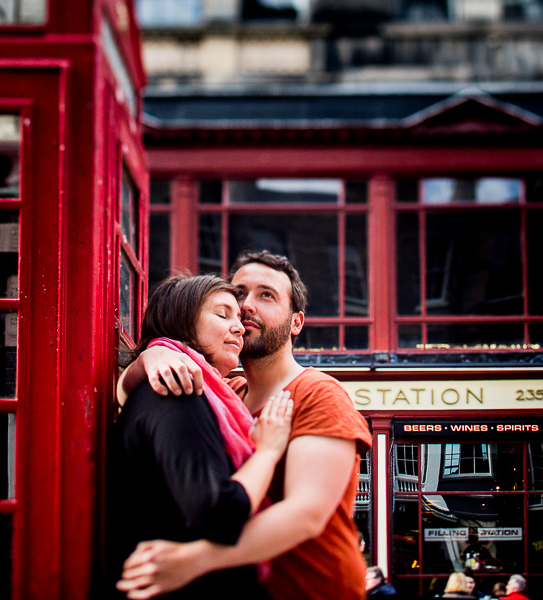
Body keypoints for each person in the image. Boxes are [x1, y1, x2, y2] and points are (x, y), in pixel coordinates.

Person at [117, 250, 373, 600]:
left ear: (296, 322)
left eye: (266, 295)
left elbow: (307, 513)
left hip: (314, 588)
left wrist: (196, 560)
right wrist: (154, 354)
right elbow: (124, 400)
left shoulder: (318, 394)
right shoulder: (226, 393)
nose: (248, 306)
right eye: (239, 295)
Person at [109, 274, 295, 599]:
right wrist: (267, 451)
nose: (239, 327)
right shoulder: (178, 392)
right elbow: (219, 516)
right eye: (223, 315)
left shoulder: (205, 395)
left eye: (238, 318)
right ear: (181, 320)